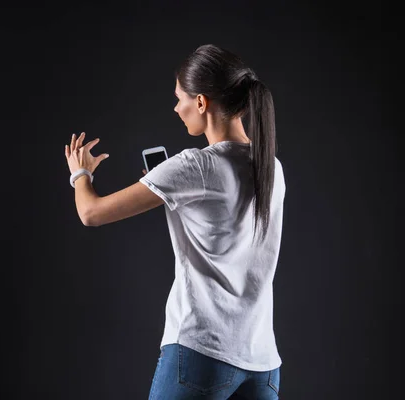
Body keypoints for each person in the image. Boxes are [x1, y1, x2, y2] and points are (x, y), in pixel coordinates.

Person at [64, 44, 285, 400]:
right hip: (263, 364)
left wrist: (80, 173)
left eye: (179, 98)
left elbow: (91, 213)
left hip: (202, 354)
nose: (176, 108)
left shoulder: (196, 165)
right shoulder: (271, 168)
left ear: (201, 103)